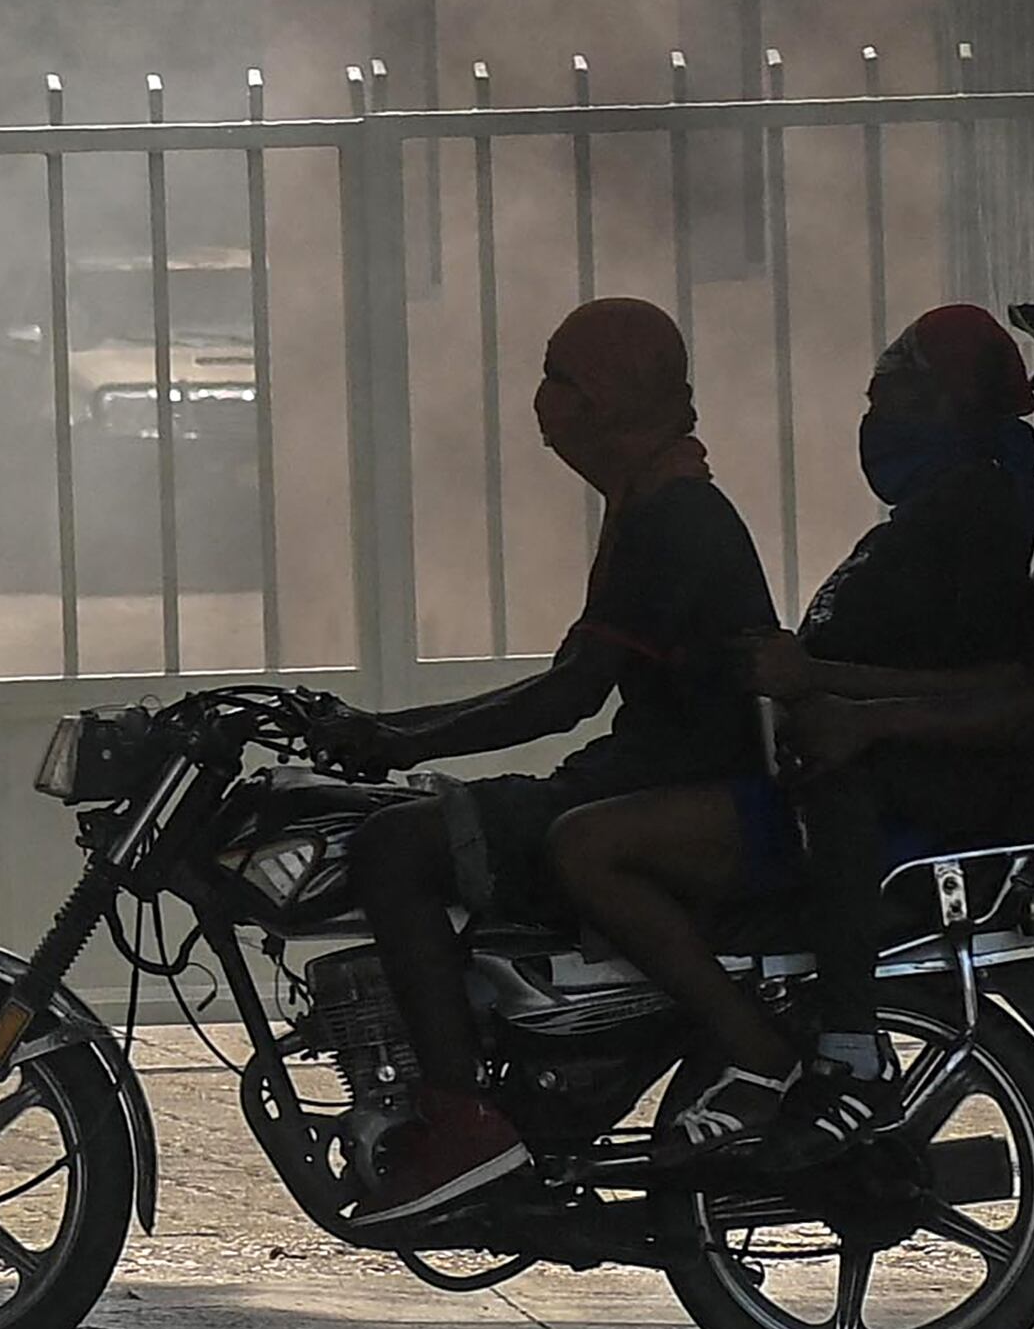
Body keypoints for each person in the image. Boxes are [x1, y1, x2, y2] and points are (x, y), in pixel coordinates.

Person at [551, 259, 1034, 1167]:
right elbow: (1007, 662)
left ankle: (848, 1054)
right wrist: (827, 680)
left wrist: (863, 716)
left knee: (849, 771)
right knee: (830, 746)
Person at [326, 295, 782, 1231]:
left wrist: (397, 738)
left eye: (561, 378)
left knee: (393, 846)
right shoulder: (652, 499)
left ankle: (461, 1120)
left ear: (612, 396)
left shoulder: (674, 517)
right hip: (644, 770)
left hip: (668, 793)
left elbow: (568, 690)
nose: (543, 401)